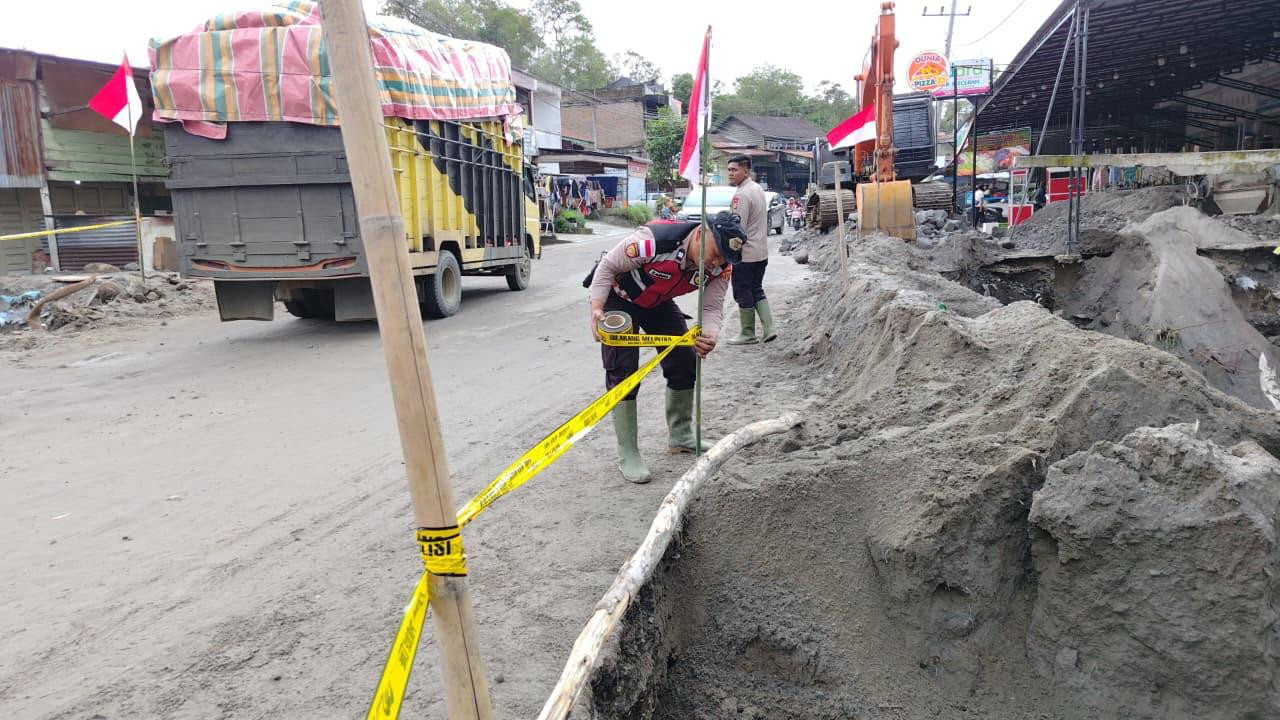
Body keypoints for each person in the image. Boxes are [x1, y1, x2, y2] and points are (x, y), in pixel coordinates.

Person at [587, 211, 747, 484]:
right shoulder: (652, 243)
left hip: (659, 303)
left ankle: (681, 435)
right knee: (623, 372)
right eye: (716, 252)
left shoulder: (721, 267)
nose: (717, 262)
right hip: (619, 299)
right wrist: (597, 307)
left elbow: (711, 307)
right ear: (700, 234)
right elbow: (607, 267)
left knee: (684, 361)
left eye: (724, 258)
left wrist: (709, 335)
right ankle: (628, 452)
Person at [723, 155, 776, 345]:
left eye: (734, 170)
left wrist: (728, 253)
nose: (731, 173)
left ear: (746, 171)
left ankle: (747, 333)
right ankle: (769, 329)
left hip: (746, 254)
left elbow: (737, 229)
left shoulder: (742, 195)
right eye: (729, 170)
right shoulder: (757, 189)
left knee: (742, 291)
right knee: (756, 288)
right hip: (761, 252)